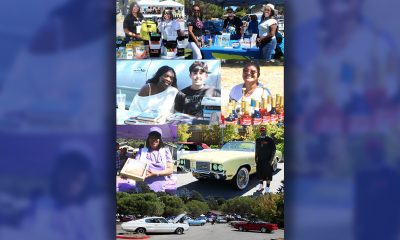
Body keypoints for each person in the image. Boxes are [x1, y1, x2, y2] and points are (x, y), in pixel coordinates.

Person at [134, 127, 175, 193]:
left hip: (160, 190)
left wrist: (156, 173)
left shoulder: (165, 151)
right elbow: (134, 168)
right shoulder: (142, 151)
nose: (154, 140)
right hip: (142, 190)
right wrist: (126, 174)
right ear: (148, 139)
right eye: (151, 137)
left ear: (160, 140)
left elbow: (170, 170)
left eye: (156, 137)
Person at [255, 126, 276, 194]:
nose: (262, 132)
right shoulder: (257, 140)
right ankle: (261, 186)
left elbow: (274, 150)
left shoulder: (270, 139)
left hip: (267, 160)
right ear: (259, 131)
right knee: (260, 174)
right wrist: (255, 158)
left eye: (263, 130)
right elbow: (256, 149)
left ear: (265, 131)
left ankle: (267, 188)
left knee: (268, 175)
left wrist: (271, 160)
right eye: (261, 131)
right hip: (260, 160)